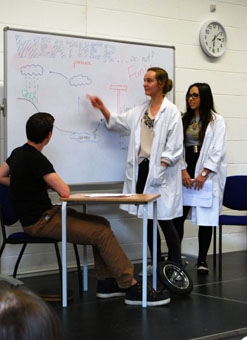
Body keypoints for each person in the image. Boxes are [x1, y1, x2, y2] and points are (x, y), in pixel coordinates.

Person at [0, 112, 170, 307]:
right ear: (48, 135)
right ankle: (131, 286)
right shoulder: (37, 159)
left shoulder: (17, 153)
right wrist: (32, 182)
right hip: (40, 222)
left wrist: (23, 183)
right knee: (100, 233)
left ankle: (106, 284)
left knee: (102, 224)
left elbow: (0, 176)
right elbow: (64, 190)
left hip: (46, 216)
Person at [88, 67, 183, 275]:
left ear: (160, 84)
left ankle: (175, 265)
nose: (145, 84)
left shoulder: (172, 111)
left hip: (161, 172)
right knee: (148, 219)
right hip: (142, 170)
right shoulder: (142, 109)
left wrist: (160, 168)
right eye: (144, 80)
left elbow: (175, 147)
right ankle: (156, 263)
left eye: (149, 81)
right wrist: (102, 108)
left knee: (166, 220)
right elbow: (119, 122)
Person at [173, 83, 227, 274]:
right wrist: (182, 170)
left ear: (204, 97)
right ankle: (175, 258)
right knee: (177, 217)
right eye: (189, 95)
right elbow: (176, 147)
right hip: (186, 168)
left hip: (207, 173)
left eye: (195, 95)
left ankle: (202, 260)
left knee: (206, 218)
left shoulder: (216, 121)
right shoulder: (182, 119)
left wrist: (204, 174)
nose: (191, 99)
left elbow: (217, 150)